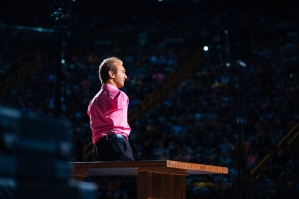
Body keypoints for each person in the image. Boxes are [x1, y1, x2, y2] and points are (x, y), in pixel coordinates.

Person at [87, 57, 134, 161]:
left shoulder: (93, 101)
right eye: (123, 72)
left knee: (107, 175)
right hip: (116, 142)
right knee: (128, 176)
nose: (125, 76)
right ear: (112, 74)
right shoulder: (119, 95)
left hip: (99, 147)